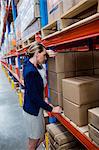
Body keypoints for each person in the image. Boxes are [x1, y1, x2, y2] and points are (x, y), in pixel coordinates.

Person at [23, 42, 62, 150]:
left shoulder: (29, 63)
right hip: (32, 112)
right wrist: (52, 109)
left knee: (40, 136)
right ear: (37, 54)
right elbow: (34, 98)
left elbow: (29, 57)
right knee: (33, 142)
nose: (45, 58)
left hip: (36, 109)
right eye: (44, 55)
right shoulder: (31, 72)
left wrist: (47, 53)